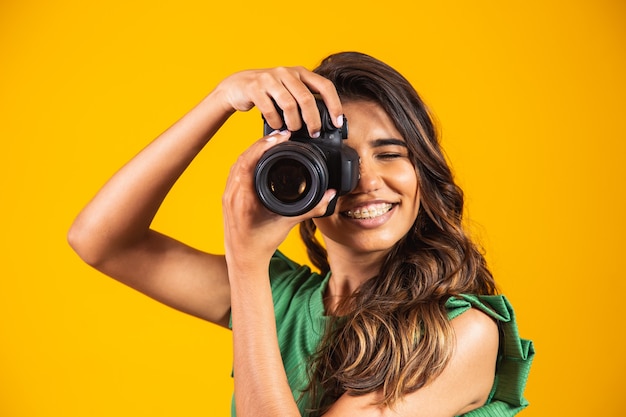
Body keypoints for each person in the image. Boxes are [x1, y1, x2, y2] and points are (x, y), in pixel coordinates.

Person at [68, 52, 534, 416]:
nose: (367, 181)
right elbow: (100, 240)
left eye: (390, 154)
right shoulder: (285, 300)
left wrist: (247, 263)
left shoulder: (462, 331)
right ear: (294, 181)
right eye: (340, 162)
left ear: (423, 173)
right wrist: (220, 100)